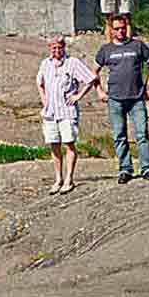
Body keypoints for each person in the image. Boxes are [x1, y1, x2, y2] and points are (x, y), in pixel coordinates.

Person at [93, 13, 149, 184]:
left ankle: (147, 168)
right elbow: (93, 71)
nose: (120, 31)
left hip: (137, 98)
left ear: (127, 27)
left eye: (123, 28)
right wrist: (100, 91)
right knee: (119, 135)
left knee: (142, 134)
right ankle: (125, 169)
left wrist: (148, 86)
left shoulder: (137, 45)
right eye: (117, 29)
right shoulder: (105, 50)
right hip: (115, 99)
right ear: (111, 30)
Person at [35, 35, 98, 194]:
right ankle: (58, 179)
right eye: (54, 47)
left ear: (64, 47)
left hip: (67, 112)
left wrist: (78, 96)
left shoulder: (73, 62)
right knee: (54, 145)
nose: (57, 50)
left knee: (69, 143)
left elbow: (91, 79)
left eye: (59, 47)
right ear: (50, 48)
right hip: (50, 112)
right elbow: (39, 82)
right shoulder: (45, 63)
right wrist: (43, 99)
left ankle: (69, 179)